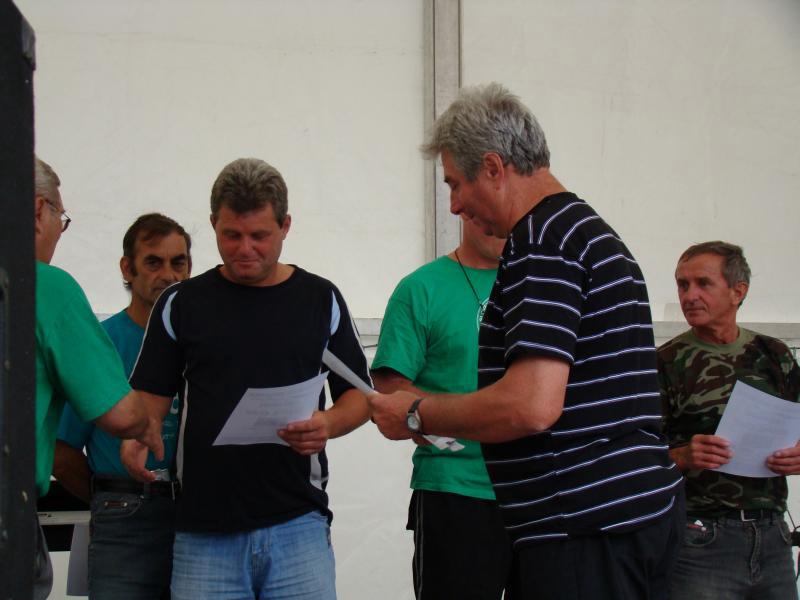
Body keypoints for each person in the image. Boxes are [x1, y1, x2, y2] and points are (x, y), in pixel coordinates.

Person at [368, 83, 683, 600]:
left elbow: (531, 405)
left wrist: (418, 413)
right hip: (631, 517)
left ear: (494, 167)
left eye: (455, 184)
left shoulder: (541, 241)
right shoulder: (588, 232)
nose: (454, 205)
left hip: (582, 526)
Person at [120, 157, 371, 600]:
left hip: (298, 523)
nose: (245, 249)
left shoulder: (320, 299)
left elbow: (360, 397)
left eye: (260, 236)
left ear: (286, 226)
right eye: (231, 235)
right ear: (213, 224)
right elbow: (150, 398)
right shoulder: (181, 303)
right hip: (204, 530)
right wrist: (138, 434)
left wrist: (328, 424)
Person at [32, 157, 162, 599]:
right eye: (61, 217)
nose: (60, 231)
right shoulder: (46, 287)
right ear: (38, 211)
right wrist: (148, 422)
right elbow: (120, 415)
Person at [53, 213, 192, 599]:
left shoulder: (206, 344)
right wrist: (108, 499)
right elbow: (60, 452)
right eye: (154, 262)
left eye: (178, 262)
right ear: (127, 268)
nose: (168, 274)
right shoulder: (102, 342)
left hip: (200, 517)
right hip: (125, 514)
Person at [371, 217, 511, 599]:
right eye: (485, 216)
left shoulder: (544, 286)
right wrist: (441, 418)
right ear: (463, 207)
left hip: (541, 491)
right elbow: (389, 387)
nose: (496, 226)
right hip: (455, 489)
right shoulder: (421, 288)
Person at [658, 241, 800, 600]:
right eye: (682, 284)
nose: (689, 295)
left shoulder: (775, 355)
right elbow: (631, 455)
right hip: (700, 538)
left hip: (773, 535)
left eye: (703, 283)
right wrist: (681, 456)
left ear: (738, 291)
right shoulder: (664, 362)